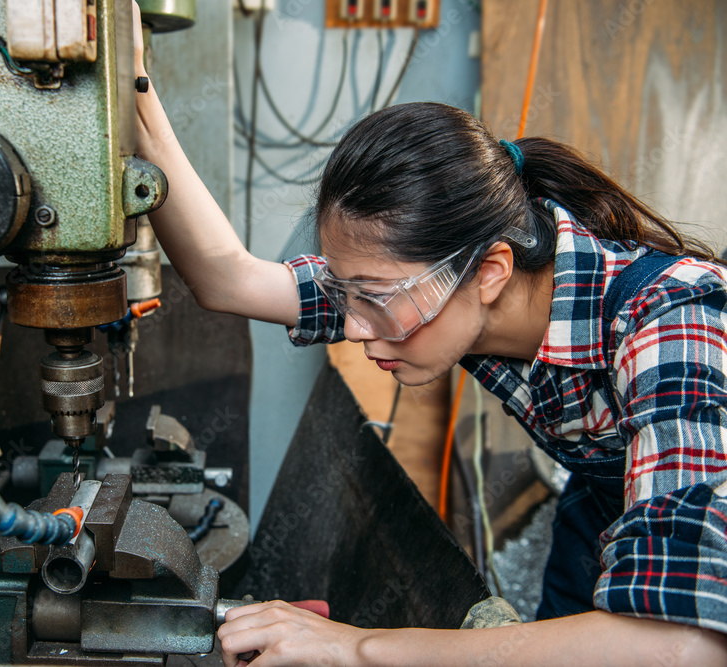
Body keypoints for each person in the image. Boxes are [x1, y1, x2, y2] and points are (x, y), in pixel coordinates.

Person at [131, 6, 727, 665]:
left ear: (491, 271)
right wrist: (131, 92)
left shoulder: (674, 322)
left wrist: (357, 646)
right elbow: (230, 280)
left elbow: (682, 645)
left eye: (376, 297)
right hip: (603, 508)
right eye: (346, 291)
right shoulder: (456, 288)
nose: (354, 327)